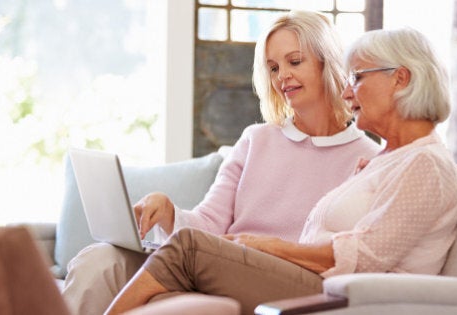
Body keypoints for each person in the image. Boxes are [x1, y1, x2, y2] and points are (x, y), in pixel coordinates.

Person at [104, 27, 457, 315]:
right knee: (150, 262)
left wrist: (263, 245)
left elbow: (365, 255)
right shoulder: (390, 158)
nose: (347, 93)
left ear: (400, 79)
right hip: (320, 284)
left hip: (350, 299)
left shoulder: (427, 164)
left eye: (357, 77)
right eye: (274, 67)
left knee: (187, 248)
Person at [61, 10, 380, 315]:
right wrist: (169, 214)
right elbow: (209, 223)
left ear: (328, 63)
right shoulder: (256, 139)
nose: (282, 76)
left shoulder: (368, 158)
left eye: (294, 61)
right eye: (272, 68)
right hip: (209, 265)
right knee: (99, 260)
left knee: (165, 293)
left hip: (272, 282)